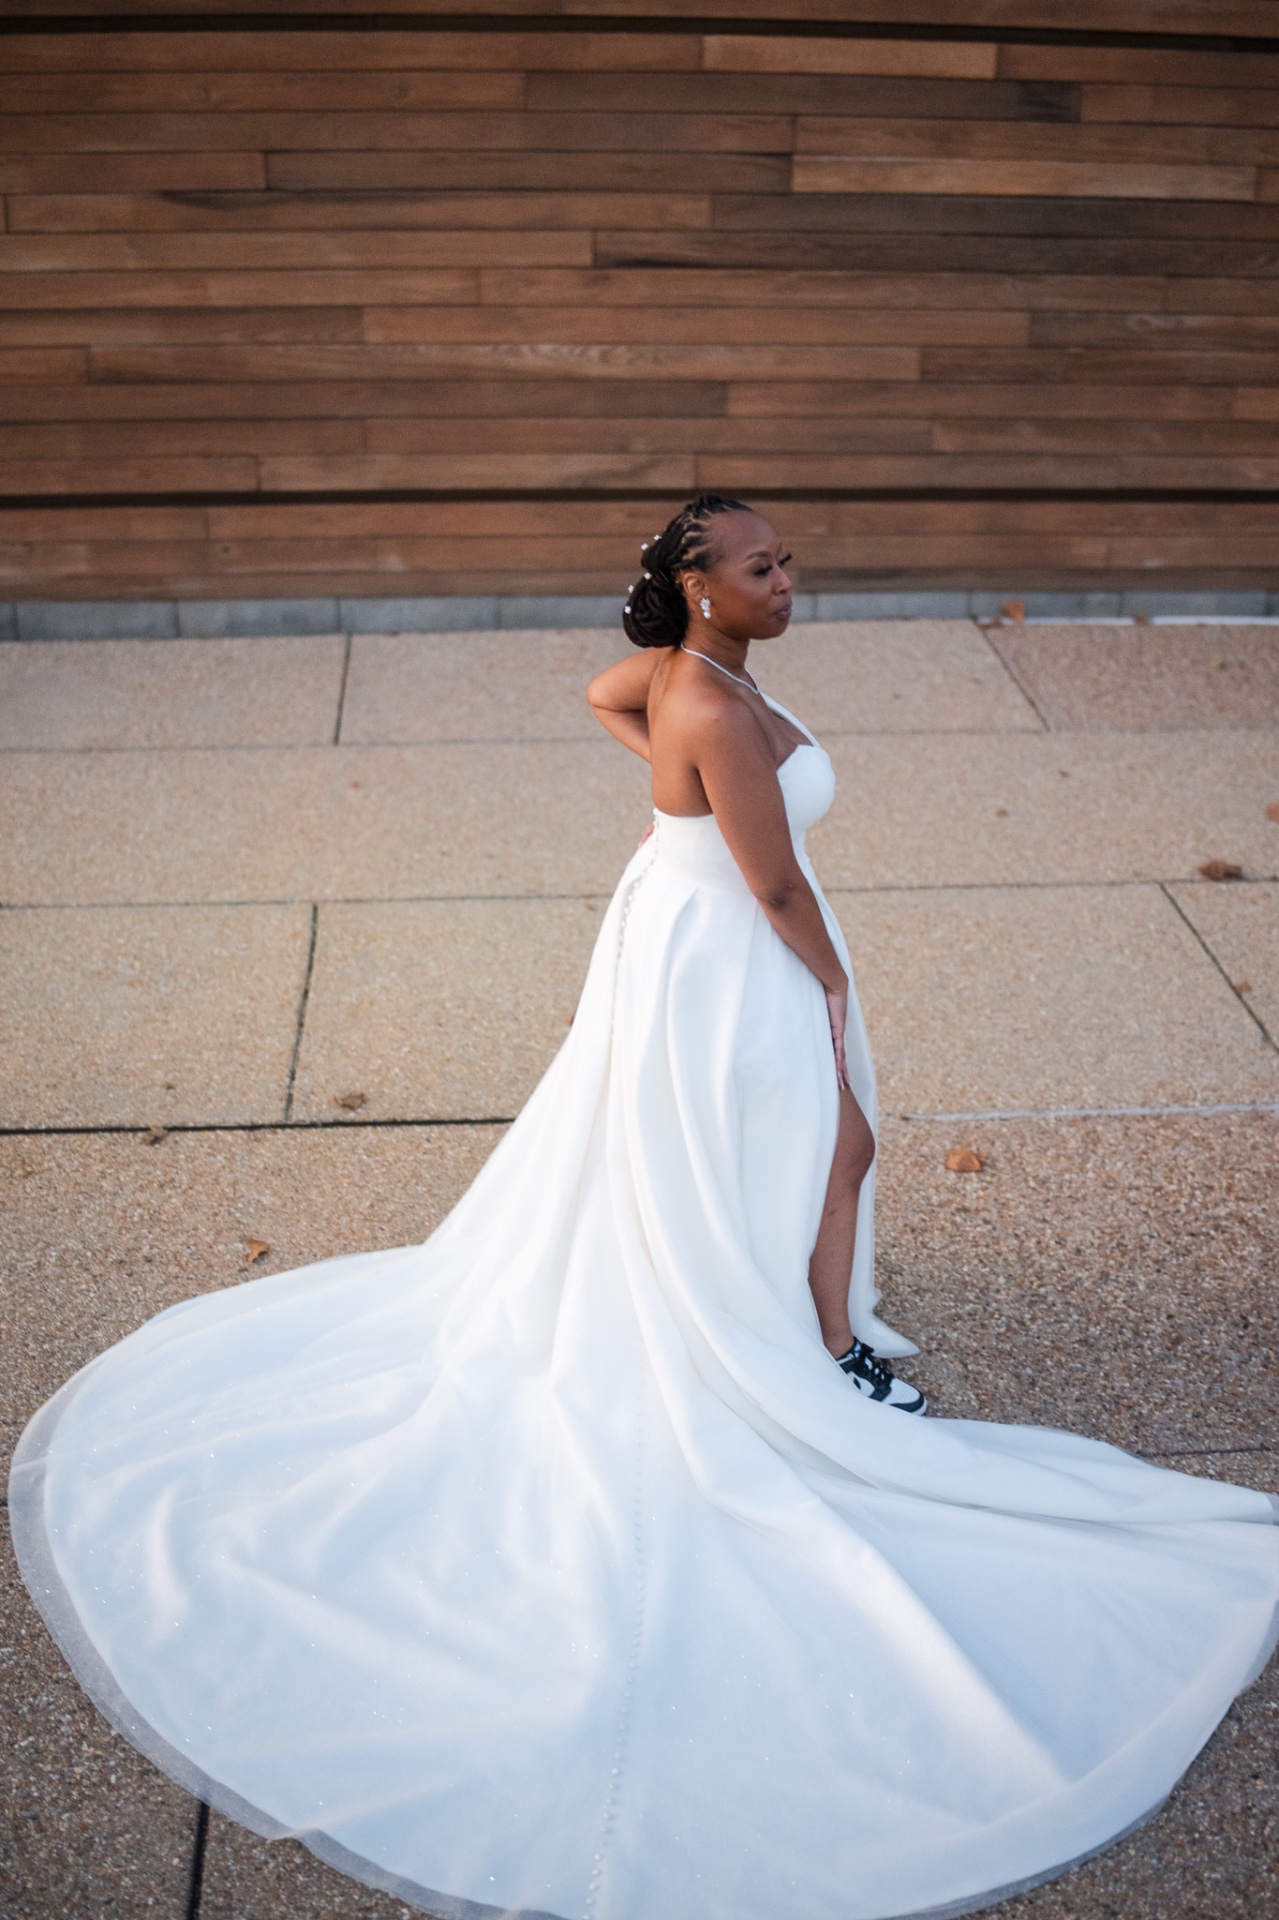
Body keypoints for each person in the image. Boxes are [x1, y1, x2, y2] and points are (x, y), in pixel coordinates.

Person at [10, 496, 1277, 1920]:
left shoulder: (688, 675)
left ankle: (802, 1320)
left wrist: (676, 814)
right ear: (699, 584)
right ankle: (824, 1354)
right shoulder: (716, 704)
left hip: (686, 929)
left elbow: (607, 699)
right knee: (837, 1141)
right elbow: (774, 881)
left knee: (788, 1151)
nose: (789, 580)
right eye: (762, 567)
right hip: (732, 958)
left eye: (787, 560)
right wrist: (830, 981)